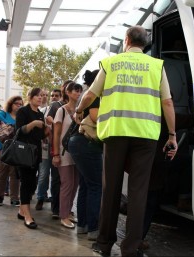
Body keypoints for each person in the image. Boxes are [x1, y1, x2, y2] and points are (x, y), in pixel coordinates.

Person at [74, 25, 178, 257]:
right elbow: (168, 103)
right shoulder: (156, 66)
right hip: (145, 136)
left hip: (115, 134)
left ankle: (104, 245)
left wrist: (79, 110)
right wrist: (171, 135)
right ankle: (131, 249)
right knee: (139, 192)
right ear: (145, 44)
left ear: (127, 40)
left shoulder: (111, 64)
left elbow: (90, 94)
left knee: (110, 189)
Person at [68, 69, 102, 240]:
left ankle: (82, 225)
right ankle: (94, 229)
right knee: (96, 186)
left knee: (86, 185)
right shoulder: (94, 94)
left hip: (78, 143)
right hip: (87, 143)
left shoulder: (85, 95)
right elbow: (96, 117)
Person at [15, 88, 50, 229]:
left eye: (41, 96)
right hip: (23, 152)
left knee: (30, 184)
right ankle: (27, 215)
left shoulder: (41, 114)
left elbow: (39, 136)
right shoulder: (23, 111)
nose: (40, 98)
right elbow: (19, 131)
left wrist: (47, 130)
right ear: (30, 97)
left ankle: (21, 210)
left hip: (35, 153)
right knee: (26, 182)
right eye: (37, 95)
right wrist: (34, 124)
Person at [52, 82, 82, 229]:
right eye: (75, 91)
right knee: (67, 184)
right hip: (63, 153)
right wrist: (56, 154)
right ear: (68, 93)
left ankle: (68, 212)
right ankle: (63, 216)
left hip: (77, 153)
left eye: (80, 91)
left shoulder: (81, 110)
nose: (78, 93)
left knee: (75, 185)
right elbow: (56, 134)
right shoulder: (61, 111)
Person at [0, 96, 22, 207]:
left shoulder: (21, 117)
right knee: (1, 174)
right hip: (2, 148)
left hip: (16, 149)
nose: (19, 105)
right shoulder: (3, 114)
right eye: (16, 103)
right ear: (10, 104)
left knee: (15, 175)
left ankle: (14, 198)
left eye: (20, 104)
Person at [45, 81, 71, 219]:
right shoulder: (56, 106)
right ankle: (56, 209)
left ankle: (65, 209)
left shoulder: (75, 106)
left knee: (68, 181)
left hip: (69, 148)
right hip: (56, 147)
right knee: (57, 179)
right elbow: (48, 121)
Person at [35, 88, 61, 211]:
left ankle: (54, 202)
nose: (53, 97)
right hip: (45, 147)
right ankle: (40, 197)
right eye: (52, 95)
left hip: (58, 147)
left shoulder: (62, 110)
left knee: (56, 176)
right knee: (43, 173)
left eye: (56, 95)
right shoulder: (43, 111)